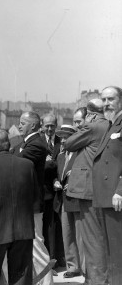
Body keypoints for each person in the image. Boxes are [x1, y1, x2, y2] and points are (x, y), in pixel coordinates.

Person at [0, 112, 54, 285]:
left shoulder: (35, 144)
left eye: (23, 123)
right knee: (23, 267)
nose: (19, 125)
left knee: (37, 251)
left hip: (11, 221)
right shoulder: (25, 147)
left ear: (33, 125)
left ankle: (46, 283)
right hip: (22, 223)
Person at [64, 98, 109, 285]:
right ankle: (95, 278)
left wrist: (83, 127)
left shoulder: (92, 127)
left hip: (87, 188)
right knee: (97, 237)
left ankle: (97, 280)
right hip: (99, 186)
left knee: (92, 239)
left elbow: (69, 143)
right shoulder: (108, 125)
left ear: (90, 114)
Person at [92, 86, 122, 285]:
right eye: (103, 100)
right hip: (104, 197)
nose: (106, 104)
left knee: (118, 250)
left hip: (116, 197)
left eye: (110, 99)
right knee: (110, 251)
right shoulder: (112, 125)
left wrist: (120, 191)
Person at [53, 124, 85, 279]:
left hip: (78, 200)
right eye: (62, 138)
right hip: (63, 200)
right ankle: (72, 267)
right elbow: (56, 174)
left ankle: (85, 267)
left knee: (80, 234)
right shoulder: (60, 156)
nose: (64, 141)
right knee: (67, 234)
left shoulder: (81, 154)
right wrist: (55, 182)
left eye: (67, 137)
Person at [41, 114, 64, 269]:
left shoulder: (61, 142)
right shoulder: (38, 143)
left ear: (56, 126)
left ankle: (55, 261)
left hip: (58, 193)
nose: (49, 129)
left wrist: (52, 165)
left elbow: (63, 164)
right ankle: (45, 263)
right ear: (42, 126)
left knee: (55, 228)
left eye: (52, 126)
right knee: (43, 229)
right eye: (47, 126)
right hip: (42, 192)